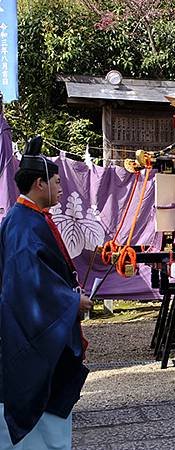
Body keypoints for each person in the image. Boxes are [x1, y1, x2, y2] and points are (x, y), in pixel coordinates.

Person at [0, 136, 92, 448]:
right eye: (56, 181)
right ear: (40, 184)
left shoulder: (28, 218)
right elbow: (29, 284)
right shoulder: (24, 224)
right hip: (32, 331)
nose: (61, 188)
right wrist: (71, 301)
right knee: (38, 394)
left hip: (40, 326)